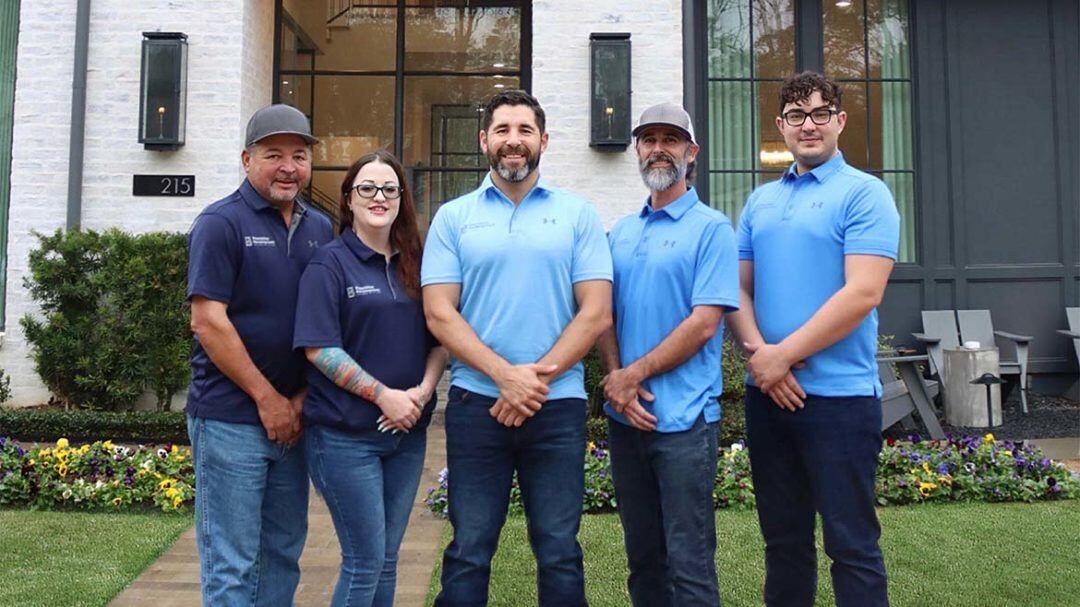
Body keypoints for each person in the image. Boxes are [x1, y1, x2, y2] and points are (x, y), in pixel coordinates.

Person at [422, 90, 613, 607]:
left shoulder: (577, 214)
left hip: (558, 407)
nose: (514, 141)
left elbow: (595, 312)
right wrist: (504, 376)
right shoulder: (454, 217)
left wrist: (532, 381)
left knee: (557, 549)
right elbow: (440, 312)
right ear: (484, 140)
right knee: (469, 548)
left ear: (543, 141)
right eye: (503, 129)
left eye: (525, 130)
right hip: (474, 406)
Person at [726, 71, 899, 607]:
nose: (808, 126)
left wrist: (782, 357)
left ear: (839, 121)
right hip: (769, 398)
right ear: (781, 126)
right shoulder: (759, 203)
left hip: (840, 402)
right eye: (796, 116)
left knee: (852, 546)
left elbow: (863, 293)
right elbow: (737, 290)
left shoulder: (866, 195)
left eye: (820, 113)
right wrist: (762, 359)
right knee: (783, 545)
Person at [186, 103, 334, 604]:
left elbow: (326, 322)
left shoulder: (319, 228)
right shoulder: (220, 223)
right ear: (247, 159)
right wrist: (268, 399)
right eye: (274, 155)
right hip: (231, 420)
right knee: (232, 562)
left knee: (284, 552)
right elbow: (208, 321)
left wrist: (296, 403)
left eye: (299, 155)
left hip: (294, 419)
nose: (288, 167)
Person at [596, 102, 740, 607]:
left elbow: (703, 325)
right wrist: (618, 382)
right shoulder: (621, 232)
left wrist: (630, 376)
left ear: (691, 152)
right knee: (643, 560)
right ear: (638, 149)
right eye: (649, 139)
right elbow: (604, 317)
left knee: (690, 563)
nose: (659, 148)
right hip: (627, 420)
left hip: (684, 423)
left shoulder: (712, 229)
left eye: (671, 139)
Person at [292, 149, 448, 606]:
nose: (378, 197)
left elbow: (438, 338)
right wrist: (383, 396)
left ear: (402, 198)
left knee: (386, 559)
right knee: (364, 561)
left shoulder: (416, 263)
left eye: (389, 189)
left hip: (407, 435)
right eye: (367, 188)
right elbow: (319, 348)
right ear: (348, 199)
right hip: (345, 437)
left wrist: (420, 393)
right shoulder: (329, 264)